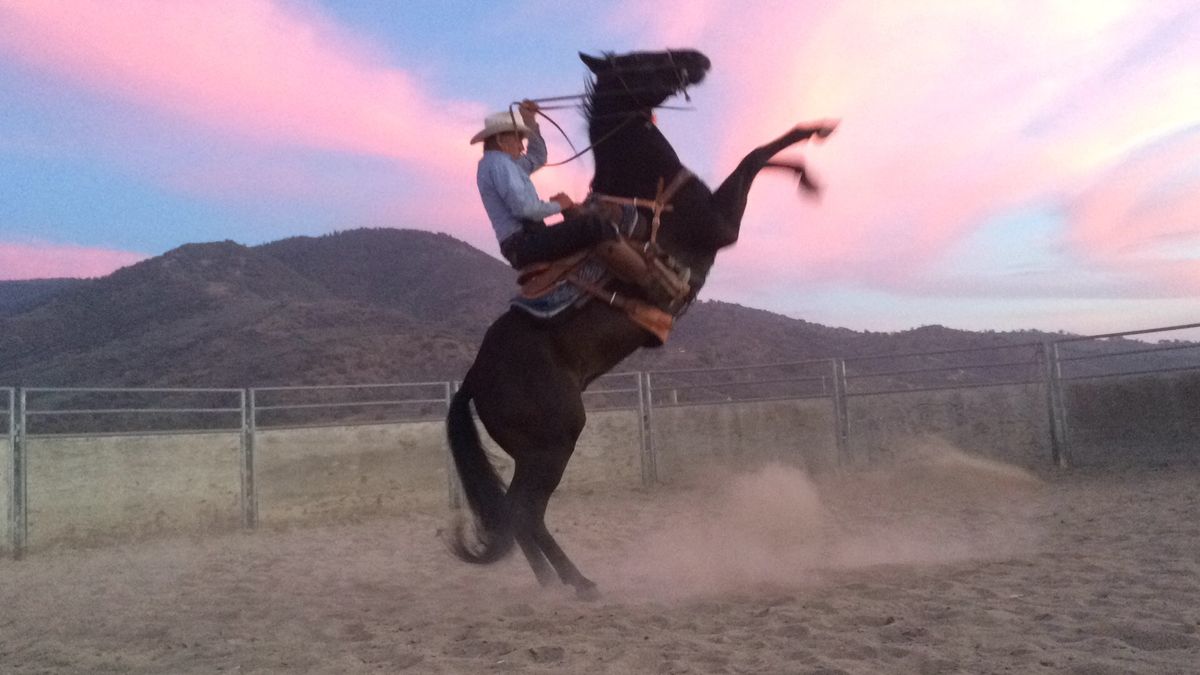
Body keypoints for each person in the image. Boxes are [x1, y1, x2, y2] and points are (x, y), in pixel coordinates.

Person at [473, 100, 618, 269]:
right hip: (523, 242)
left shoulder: (504, 163)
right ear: (500, 139)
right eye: (518, 139)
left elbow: (537, 157)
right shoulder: (500, 164)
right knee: (593, 226)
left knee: (586, 224)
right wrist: (560, 205)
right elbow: (525, 210)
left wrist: (530, 122)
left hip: (524, 240)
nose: (521, 147)